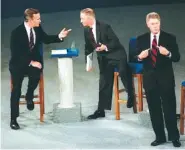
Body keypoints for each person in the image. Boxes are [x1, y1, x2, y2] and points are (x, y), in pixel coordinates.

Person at [9, 8, 71, 130]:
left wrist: (59, 36)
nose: (40, 20)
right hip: (19, 64)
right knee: (16, 89)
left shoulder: (37, 28)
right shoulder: (16, 32)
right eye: (37, 18)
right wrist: (31, 62)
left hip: (34, 63)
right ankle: (13, 119)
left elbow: (46, 39)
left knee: (36, 75)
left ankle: (29, 95)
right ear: (30, 19)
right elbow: (16, 53)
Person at [80, 8, 135, 119]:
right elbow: (88, 47)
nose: (80, 21)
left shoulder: (104, 26)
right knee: (104, 82)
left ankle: (131, 95)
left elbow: (115, 41)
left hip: (117, 55)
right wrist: (88, 63)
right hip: (104, 58)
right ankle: (101, 110)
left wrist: (105, 46)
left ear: (89, 17)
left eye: (82, 18)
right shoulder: (86, 30)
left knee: (123, 71)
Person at [136, 12, 181, 147]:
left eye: (157, 23)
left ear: (160, 23)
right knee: (154, 109)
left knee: (169, 108)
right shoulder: (141, 39)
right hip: (150, 78)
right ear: (148, 25)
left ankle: (174, 137)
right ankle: (160, 137)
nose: (155, 26)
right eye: (152, 24)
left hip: (165, 78)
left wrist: (168, 53)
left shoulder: (169, 38)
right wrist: (140, 57)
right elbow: (135, 58)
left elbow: (177, 57)